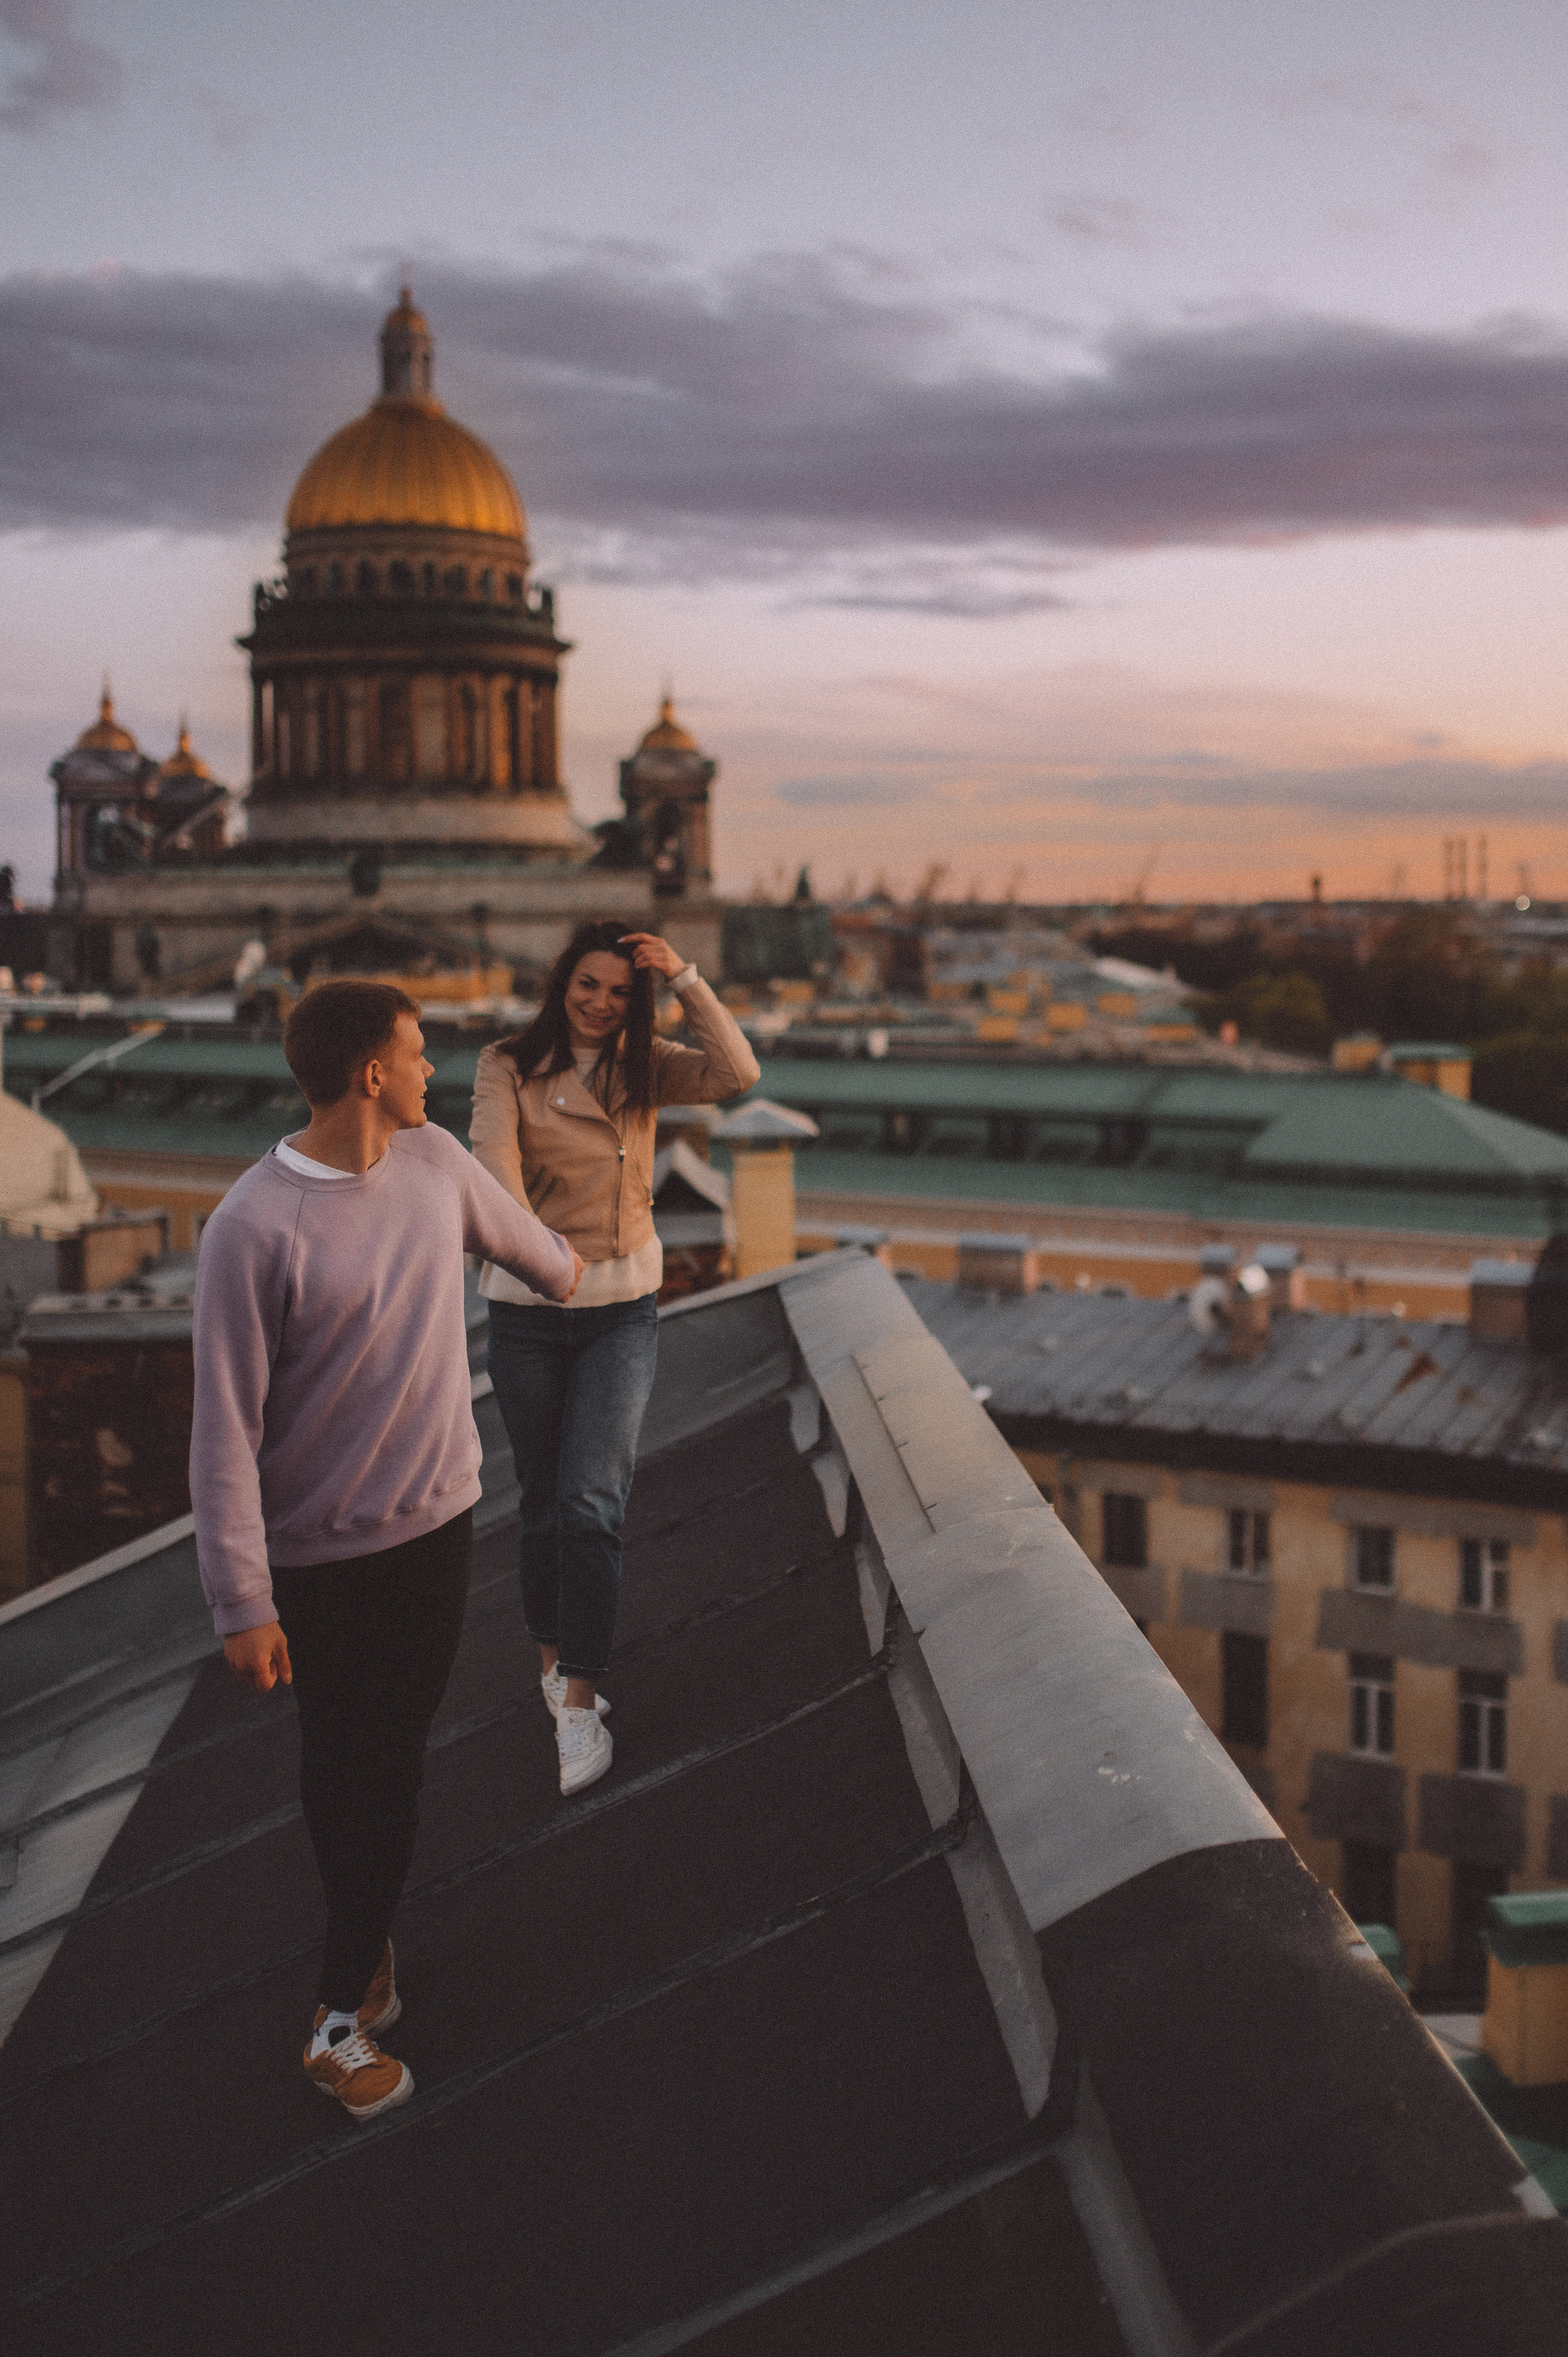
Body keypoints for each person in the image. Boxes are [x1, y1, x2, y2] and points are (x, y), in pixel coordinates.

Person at [190, 980, 582, 2122]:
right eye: (417, 1055)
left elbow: (546, 1261)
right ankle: (349, 1990)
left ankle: (341, 1993)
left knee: (390, 1762)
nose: (430, 1071)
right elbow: (224, 1432)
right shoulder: (249, 1229)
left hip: (433, 1532)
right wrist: (239, 1601)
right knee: (337, 1761)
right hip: (312, 1559)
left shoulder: (440, 1167)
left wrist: (604, 1231)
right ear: (370, 1074)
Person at [470, 922, 760, 1795]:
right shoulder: (507, 1064)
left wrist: (686, 978)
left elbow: (740, 1075)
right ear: (563, 984)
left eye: (619, 991)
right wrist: (539, 1259)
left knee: (593, 1502)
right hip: (527, 1311)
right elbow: (492, 1164)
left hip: (621, 1314)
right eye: (587, 985)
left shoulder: (648, 1066)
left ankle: (580, 1706)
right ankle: (555, 1667)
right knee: (545, 1504)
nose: (600, 1003)